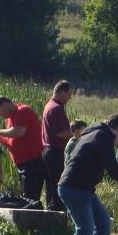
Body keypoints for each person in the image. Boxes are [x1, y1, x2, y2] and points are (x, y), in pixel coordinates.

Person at [0, 96, 45, 203]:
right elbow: (10, 141)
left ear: (5, 104)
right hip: (22, 164)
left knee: (30, 196)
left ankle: (33, 218)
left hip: (32, 162)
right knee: (27, 196)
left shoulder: (23, 110)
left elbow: (19, 132)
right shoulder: (9, 119)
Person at [41, 80, 74, 212]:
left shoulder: (49, 105)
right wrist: (78, 137)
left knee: (51, 186)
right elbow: (61, 133)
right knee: (57, 186)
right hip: (55, 151)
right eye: (69, 95)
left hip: (48, 151)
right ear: (62, 92)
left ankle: (52, 213)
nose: (69, 98)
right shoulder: (56, 108)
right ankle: (56, 216)